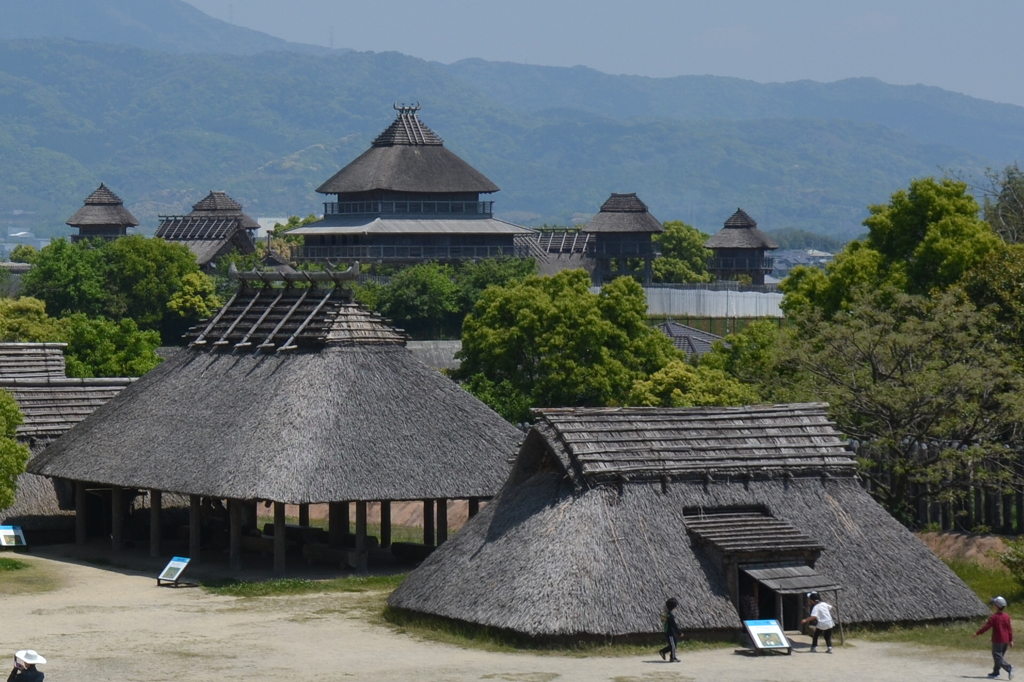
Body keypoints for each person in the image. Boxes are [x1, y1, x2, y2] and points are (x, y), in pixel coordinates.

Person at [975, 595, 1014, 679]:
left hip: (998, 640)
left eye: (994, 604)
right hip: (1006, 640)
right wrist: (1011, 640)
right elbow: (1009, 629)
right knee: (999, 657)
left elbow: (986, 627)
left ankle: (1008, 668)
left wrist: (978, 633)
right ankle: (996, 672)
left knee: (997, 656)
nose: (993, 606)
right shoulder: (1006, 616)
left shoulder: (994, 617)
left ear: (996, 606)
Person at [659, 597, 683, 662]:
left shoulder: (667, 614)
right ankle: (673, 657)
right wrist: (679, 633)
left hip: (670, 632)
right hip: (669, 632)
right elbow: (674, 625)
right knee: (673, 645)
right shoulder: (669, 616)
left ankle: (663, 651)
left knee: (673, 644)